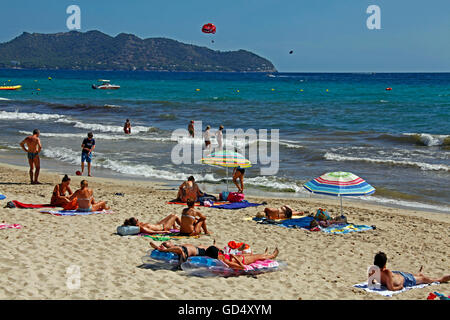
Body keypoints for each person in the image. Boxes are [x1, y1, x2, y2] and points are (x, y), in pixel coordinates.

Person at [369, 252, 450, 291]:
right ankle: (441, 279)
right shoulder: (387, 272)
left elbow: (371, 281)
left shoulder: (372, 270)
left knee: (414, 275)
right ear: (385, 264)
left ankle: (418, 274)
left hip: (399, 275)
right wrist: (400, 286)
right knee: (426, 279)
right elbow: (391, 288)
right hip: (405, 280)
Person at [205, 246, 279, 270]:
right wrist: (234, 257)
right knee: (258, 257)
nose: (219, 252)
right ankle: (272, 256)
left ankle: (265, 254)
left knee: (256, 255)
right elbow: (241, 267)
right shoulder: (225, 261)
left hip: (241, 257)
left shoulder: (220, 257)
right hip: (244, 261)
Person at [149, 240, 219, 262]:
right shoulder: (204, 251)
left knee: (172, 246)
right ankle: (215, 246)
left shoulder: (202, 252)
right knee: (169, 244)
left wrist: (164, 250)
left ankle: (215, 246)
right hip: (186, 249)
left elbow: (179, 250)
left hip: (186, 250)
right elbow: (151, 243)